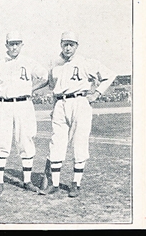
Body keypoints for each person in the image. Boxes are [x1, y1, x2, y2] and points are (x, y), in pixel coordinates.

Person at [40, 31, 116, 197]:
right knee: (56, 142)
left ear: (76, 46)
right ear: (61, 44)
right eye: (65, 44)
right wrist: (54, 107)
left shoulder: (85, 62)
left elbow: (109, 75)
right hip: (60, 103)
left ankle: (76, 183)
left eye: (71, 45)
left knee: (79, 142)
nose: (68, 48)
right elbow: (53, 88)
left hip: (80, 102)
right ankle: (54, 183)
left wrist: (96, 94)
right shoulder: (55, 64)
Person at [0, 31, 48, 194]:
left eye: (17, 43)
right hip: (4, 105)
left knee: (26, 140)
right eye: (11, 43)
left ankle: (27, 181)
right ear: (6, 45)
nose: (14, 47)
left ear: (22, 45)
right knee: (2, 142)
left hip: (24, 104)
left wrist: (31, 89)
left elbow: (45, 77)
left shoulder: (29, 62)